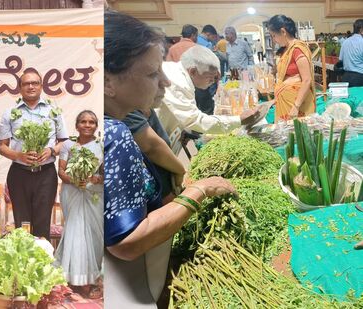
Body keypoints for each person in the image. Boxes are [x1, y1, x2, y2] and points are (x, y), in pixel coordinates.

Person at [104, 10, 238, 308]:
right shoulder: (114, 132)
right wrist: (198, 192)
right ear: (108, 82)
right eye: (153, 73)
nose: (164, 81)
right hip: (124, 290)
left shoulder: (111, 121)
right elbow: (126, 242)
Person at [0, 69, 68, 240]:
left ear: (41, 86)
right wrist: (18, 155)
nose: (31, 86)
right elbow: (2, 146)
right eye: (26, 83)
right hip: (19, 174)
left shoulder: (54, 111)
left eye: (35, 83)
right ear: (20, 87)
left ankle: (41, 265)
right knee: (22, 225)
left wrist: (51, 150)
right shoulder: (10, 113)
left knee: (42, 223)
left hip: (46, 175)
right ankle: (22, 265)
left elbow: (64, 142)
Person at [156, 45, 263, 141]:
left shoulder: (179, 72)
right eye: (210, 78)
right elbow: (195, 120)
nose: (212, 82)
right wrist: (238, 120)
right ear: (193, 71)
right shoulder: (177, 82)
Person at [54, 110, 103, 299]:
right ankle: (72, 279)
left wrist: (94, 179)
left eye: (91, 122)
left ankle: (90, 279)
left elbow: (104, 174)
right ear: (77, 125)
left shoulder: (101, 146)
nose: (87, 125)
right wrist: (75, 180)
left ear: (96, 126)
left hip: (94, 195)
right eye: (83, 121)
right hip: (72, 192)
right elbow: (61, 171)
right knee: (74, 232)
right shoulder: (68, 145)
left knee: (92, 236)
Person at [268, 15, 316, 122]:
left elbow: (306, 79)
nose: (274, 40)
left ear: (283, 32)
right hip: (286, 102)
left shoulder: (297, 49)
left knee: (297, 134)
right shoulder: (286, 49)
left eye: (274, 36)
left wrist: (296, 106)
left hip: (297, 105)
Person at [339, 19, 363, 87]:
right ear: (361, 30)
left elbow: (341, 59)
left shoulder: (345, 41)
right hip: (360, 77)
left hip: (346, 77)